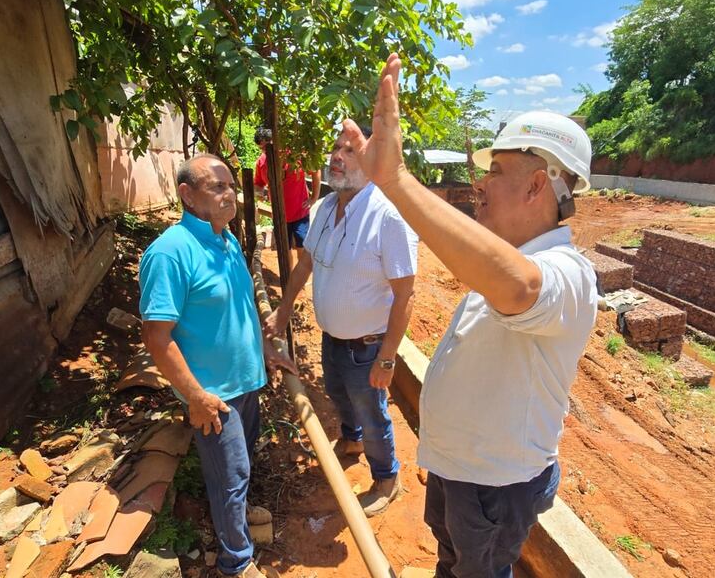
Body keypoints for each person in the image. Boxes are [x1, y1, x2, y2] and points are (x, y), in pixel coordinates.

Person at [341, 54, 597, 578]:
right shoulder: (507, 254)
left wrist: (395, 181)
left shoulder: (567, 273)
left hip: (495, 487)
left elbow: (520, 287)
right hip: (462, 475)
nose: (478, 185)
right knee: (453, 560)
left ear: (538, 186)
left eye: (495, 172)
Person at [139, 154, 297, 578]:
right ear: (188, 195)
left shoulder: (224, 240)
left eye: (232, 186)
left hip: (245, 382)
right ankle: (236, 563)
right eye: (218, 188)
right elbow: (157, 338)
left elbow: (241, 310)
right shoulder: (171, 253)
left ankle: (240, 518)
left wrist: (267, 347)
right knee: (228, 479)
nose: (231, 196)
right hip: (214, 396)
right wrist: (196, 397)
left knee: (242, 469)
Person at [264, 127, 418, 517]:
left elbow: (406, 294)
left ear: (371, 163)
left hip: (368, 346)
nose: (338, 155)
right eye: (336, 147)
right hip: (333, 339)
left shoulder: (388, 217)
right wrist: (283, 311)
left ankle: (387, 478)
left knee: (372, 411)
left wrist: (387, 358)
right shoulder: (324, 209)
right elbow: (307, 263)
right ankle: (351, 442)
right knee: (338, 394)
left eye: (351, 150)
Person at [253, 127, 321, 259]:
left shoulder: (294, 156)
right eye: (261, 149)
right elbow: (258, 184)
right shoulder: (262, 162)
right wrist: (260, 192)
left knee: (302, 247)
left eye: (266, 147)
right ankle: (289, 278)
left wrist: (314, 197)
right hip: (279, 215)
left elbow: (315, 169)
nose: (264, 151)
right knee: (285, 249)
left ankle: (302, 278)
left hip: (300, 212)